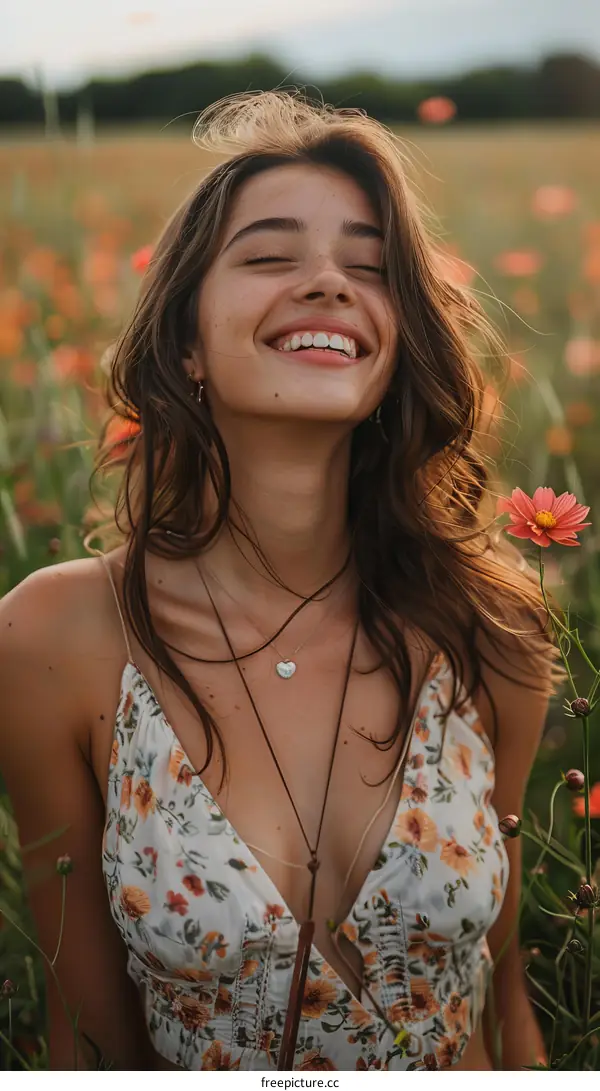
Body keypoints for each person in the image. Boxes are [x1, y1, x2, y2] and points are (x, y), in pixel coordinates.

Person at [0, 90, 565, 1071]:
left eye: (371, 268)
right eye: (269, 257)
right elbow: (84, 1040)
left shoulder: (491, 628)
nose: (328, 283)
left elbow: (504, 1007)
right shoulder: (57, 635)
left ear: (400, 337)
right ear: (186, 341)